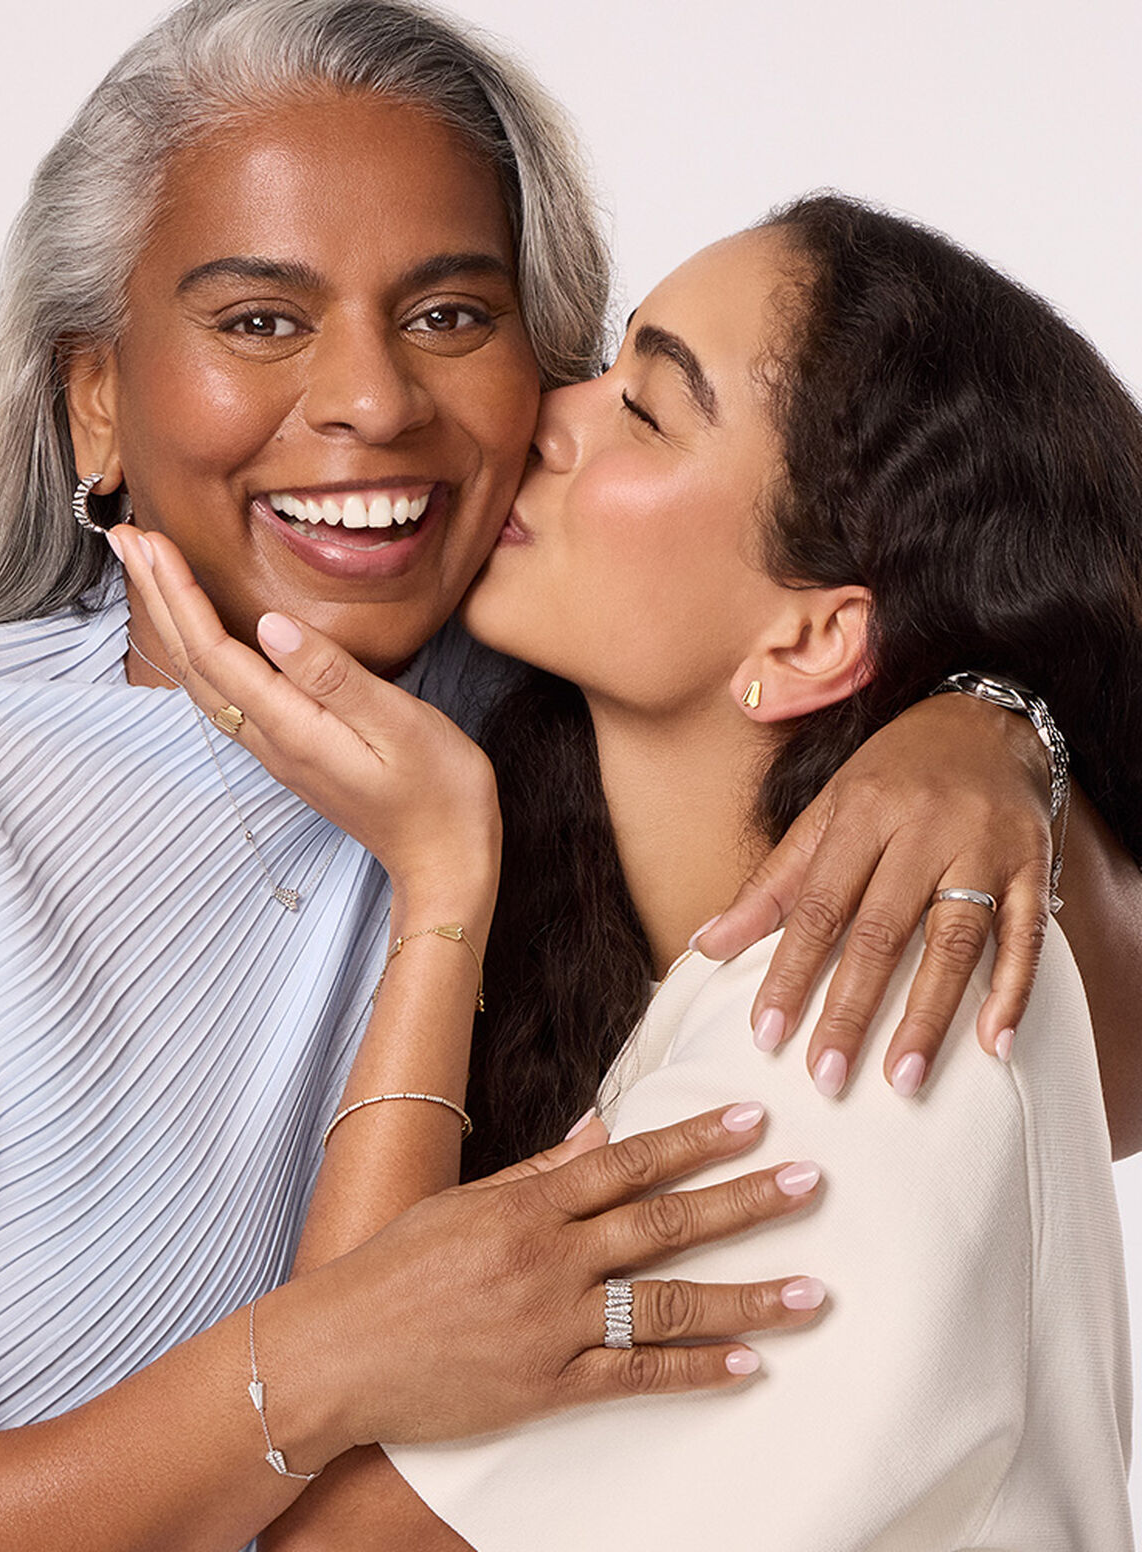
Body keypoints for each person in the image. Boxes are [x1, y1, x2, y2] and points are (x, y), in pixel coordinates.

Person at [0, 0, 1135, 1544]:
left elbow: (1066, 1089)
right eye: (261, 321)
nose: (374, 401)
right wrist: (326, 1361)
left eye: (452, 316)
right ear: (96, 398)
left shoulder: (581, 681)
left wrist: (993, 725)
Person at [118, 194, 1136, 1548]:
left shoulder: (843, 1039)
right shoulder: (718, 996)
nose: (546, 413)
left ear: (817, 637)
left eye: (648, 410)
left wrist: (441, 878)